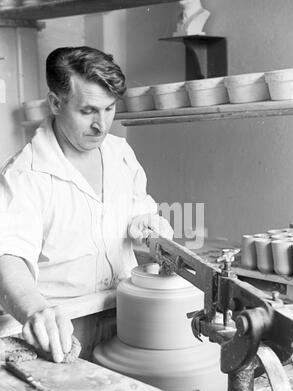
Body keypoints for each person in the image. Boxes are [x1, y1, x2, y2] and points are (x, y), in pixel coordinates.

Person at [0, 46, 173, 363]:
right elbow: (8, 258)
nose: (102, 125)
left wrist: (147, 224)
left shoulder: (120, 153)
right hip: (60, 331)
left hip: (127, 317)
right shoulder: (25, 175)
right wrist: (37, 310)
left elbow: (139, 211)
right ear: (55, 102)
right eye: (88, 111)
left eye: (109, 109)